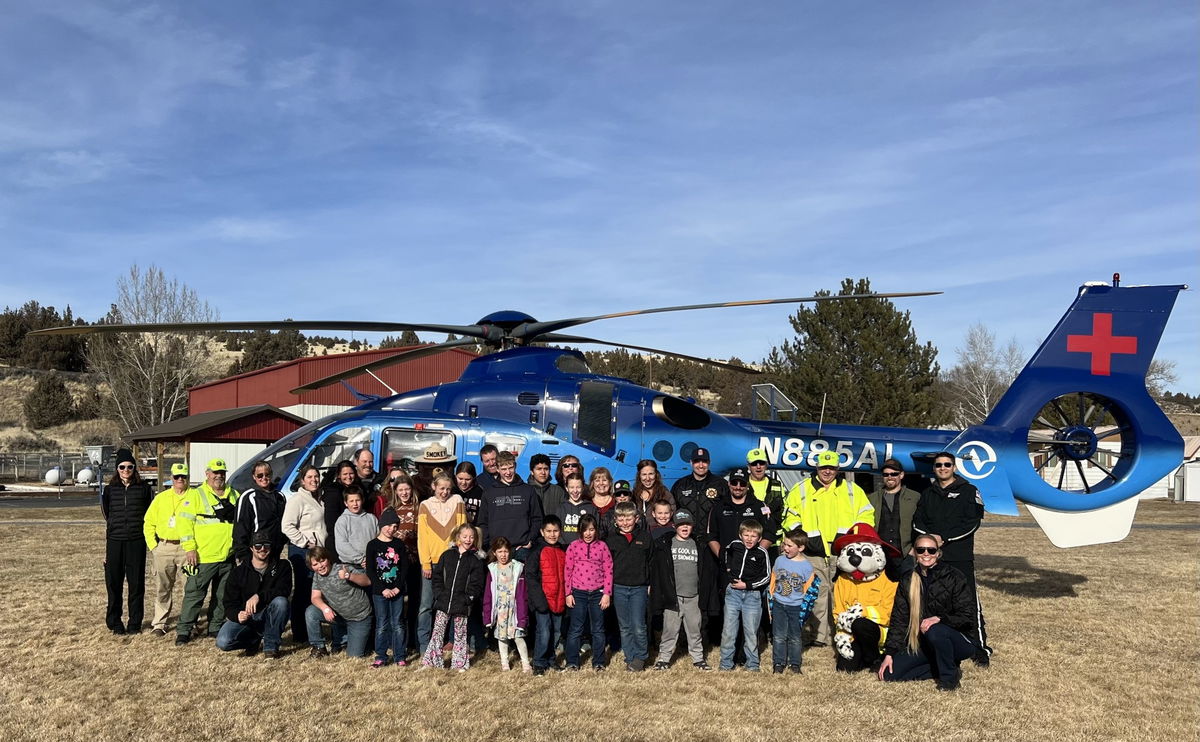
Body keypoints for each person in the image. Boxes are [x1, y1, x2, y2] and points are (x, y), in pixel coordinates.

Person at [779, 449, 874, 647]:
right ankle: (819, 637)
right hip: (813, 552)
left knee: (844, 593)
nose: (827, 472)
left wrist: (852, 537)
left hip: (845, 553)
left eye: (831, 468)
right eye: (824, 467)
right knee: (818, 594)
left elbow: (866, 516)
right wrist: (803, 537)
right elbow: (789, 516)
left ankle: (843, 631)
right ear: (817, 467)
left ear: (838, 469)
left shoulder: (852, 490)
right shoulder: (801, 489)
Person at [914, 452, 991, 662]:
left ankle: (979, 647)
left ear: (954, 467)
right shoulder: (928, 493)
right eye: (938, 465)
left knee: (968, 603)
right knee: (931, 601)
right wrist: (930, 541)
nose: (942, 468)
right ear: (934, 468)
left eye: (947, 464)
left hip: (959, 556)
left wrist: (944, 538)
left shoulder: (969, 491)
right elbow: (918, 521)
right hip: (931, 558)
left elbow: (972, 523)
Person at [878, 534, 980, 691]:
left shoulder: (954, 577)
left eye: (931, 550)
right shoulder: (907, 579)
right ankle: (944, 666)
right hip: (925, 643)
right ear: (914, 552)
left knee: (935, 630)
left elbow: (967, 617)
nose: (926, 554)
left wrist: (939, 619)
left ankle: (949, 680)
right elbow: (899, 618)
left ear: (938, 553)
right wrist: (890, 653)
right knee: (889, 675)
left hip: (958, 641)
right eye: (921, 550)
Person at [176, 458, 240, 645]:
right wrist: (190, 549)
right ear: (207, 473)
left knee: (222, 596)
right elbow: (184, 523)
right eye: (215, 472)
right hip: (202, 557)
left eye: (222, 472)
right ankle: (184, 630)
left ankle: (215, 626)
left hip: (227, 556)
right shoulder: (196, 495)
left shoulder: (234, 494)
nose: (219, 476)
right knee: (194, 594)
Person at [215, 530, 292, 658]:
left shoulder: (282, 566)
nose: (262, 549)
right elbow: (229, 603)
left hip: (269, 612)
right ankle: (253, 640)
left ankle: (271, 647)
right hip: (248, 617)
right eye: (258, 546)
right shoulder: (238, 572)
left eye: (266, 545)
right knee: (223, 642)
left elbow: (284, 590)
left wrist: (259, 596)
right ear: (251, 548)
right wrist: (237, 615)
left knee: (281, 602)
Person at [420, 523, 486, 671]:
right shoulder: (447, 555)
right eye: (465, 536)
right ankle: (432, 661)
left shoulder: (475, 560)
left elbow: (477, 584)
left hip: (461, 604)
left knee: (461, 634)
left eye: (471, 537)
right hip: (443, 602)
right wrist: (439, 594)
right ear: (458, 537)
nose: (468, 540)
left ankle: (460, 663)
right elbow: (437, 577)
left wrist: (468, 598)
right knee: (437, 632)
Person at [650, 510, 710, 671]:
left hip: (693, 596)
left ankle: (698, 658)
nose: (685, 527)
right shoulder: (666, 544)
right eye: (681, 524)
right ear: (674, 526)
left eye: (688, 524)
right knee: (670, 630)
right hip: (673, 597)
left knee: (694, 629)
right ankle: (664, 658)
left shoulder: (698, 544)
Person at [102, 448, 153, 635]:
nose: (126, 470)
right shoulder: (110, 490)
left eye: (129, 467)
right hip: (115, 541)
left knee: (136, 584)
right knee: (114, 583)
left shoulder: (145, 489)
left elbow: (149, 514)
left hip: (136, 541)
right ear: (117, 469)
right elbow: (107, 514)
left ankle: (134, 623)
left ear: (134, 468)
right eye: (122, 467)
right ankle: (115, 622)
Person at [416, 473, 466, 654]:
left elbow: (462, 529)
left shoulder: (458, 501)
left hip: (452, 561)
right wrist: (426, 563)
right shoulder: (425, 506)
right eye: (441, 488)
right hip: (433, 562)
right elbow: (423, 537)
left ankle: (452, 641)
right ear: (433, 487)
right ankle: (424, 644)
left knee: (452, 603)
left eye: (448, 489)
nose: (444, 492)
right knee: (426, 604)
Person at [143, 462, 194, 636]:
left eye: (184, 477)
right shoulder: (161, 498)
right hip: (163, 547)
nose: (180, 480)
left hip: (186, 548)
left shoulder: (194, 496)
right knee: (163, 587)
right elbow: (148, 523)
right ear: (171, 478)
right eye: (177, 477)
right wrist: (154, 546)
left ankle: (189, 622)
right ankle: (159, 623)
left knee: (191, 586)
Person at [605, 501, 652, 672]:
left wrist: (650, 583)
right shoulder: (611, 540)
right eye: (621, 519)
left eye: (629, 518)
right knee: (624, 626)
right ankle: (630, 656)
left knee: (638, 625)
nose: (625, 523)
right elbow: (607, 567)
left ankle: (641, 657)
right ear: (615, 520)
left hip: (639, 587)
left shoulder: (645, 538)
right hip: (619, 588)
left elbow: (651, 562)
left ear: (637, 518)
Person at [281, 464, 325, 645]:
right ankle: (300, 631)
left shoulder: (319, 499)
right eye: (310, 477)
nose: (314, 480)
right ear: (302, 480)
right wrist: (305, 542)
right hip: (303, 551)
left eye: (316, 477)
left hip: (319, 551)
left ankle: (311, 627)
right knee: (303, 590)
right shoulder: (298, 499)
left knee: (314, 590)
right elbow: (287, 526)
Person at [718, 519, 770, 671]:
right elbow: (725, 552)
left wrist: (747, 585)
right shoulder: (734, 545)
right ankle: (726, 664)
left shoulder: (762, 553)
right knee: (728, 630)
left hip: (752, 596)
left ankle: (752, 665)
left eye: (753, 536)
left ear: (759, 538)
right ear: (740, 535)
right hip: (733, 594)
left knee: (751, 632)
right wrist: (728, 570)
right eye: (746, 535)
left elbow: (766, 576)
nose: (749, 539)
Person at [306, 546, 373, 658]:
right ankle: (319, 647)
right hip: (338, 616)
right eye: (315, 564)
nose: (320, 566)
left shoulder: (343, 568)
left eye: (322, 561)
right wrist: (325, 608)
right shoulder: (317, 576)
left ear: (328, 559)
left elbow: (367, 581)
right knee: (311, 612)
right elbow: (315, 597)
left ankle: (362, 639)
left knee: (354, 656)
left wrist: (349, 576)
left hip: (359, 617)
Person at [564, 514, 611, 671]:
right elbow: (568, 570)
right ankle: (572, 662)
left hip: (598, 593)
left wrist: (607, 593)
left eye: (591, 529)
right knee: (576, 628)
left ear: (596, 530)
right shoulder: (573, 546)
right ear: (580, 531)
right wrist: (568, 593)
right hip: (578, 593)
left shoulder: (602, 546)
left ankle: (598, 662)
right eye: (585, 530)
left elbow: (608, 570)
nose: (588, 533)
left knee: (598, 629)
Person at [769, 528, 819, 674]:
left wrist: (804, 607)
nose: (785, 548)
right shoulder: (779, 560)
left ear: (801, 547)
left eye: (790, 546)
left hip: (796, 607)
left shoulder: (806, 566)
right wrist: (772, 597)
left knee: (795, 637)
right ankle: (778, 663)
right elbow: (773, 578)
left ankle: (795, 664)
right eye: (784, 544)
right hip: (779, 604)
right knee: (778, 635)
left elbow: (809, 589)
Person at [477, 451, 544, 558]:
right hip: (497, 549)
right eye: (503, 469)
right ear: (497, 469)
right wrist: (489, 544)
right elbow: (482, 522)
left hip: (522, 548)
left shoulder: (528, 490)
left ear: (515, 467)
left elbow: (537, 518)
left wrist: (530, 540)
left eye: (510, 468)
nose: (508, 472)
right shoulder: (489, 493)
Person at [525, 515, 568, 675]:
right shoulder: (537, 550)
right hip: (543, 600)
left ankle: (551, 660)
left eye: (555, 531)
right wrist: (539, 601)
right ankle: (539, 662)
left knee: (556, 632)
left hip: (559, 599)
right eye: (548, 531)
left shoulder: (562, 550)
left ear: (560, 531)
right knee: (544, 631)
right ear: (542, 532)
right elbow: (530, 576)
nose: (552, 534)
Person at [366, 509, 409, 668]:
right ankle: (381, 656)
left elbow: (404, 567)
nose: (391, 529)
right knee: (382, 624)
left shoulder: (399, 544)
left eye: (395, 526)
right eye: (388, 525)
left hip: (397, 591)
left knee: (397, 623)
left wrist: (398, 587)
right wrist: (382, 589)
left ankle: (400, 656)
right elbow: (370, 570)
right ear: (381, 524)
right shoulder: (372, 545)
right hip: (380, 592)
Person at [482, 537, 531, 673]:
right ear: (494, 553)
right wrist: (487, 615)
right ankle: (504, 663)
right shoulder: (492, 570)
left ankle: (526, 663)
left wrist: (523, 614)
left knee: (518, 637)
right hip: (500, 610)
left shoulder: (517, 568)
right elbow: (488, 594)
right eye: (500, 551)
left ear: (510, 551)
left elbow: (522, 594)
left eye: (505, 551)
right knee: (502, 638)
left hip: (515, 609)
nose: (503, 555)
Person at [868, 458, 921, 578]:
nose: (890, 477)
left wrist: (914, 549)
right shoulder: (872, 498)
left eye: (894, 474)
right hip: (879, 554)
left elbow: (922, 524)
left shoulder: (915, 497)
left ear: (901, 475)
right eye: (886, 474)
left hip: (906, 554)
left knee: (908, 591)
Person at [232, 460, 286, 564]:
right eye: (260, 475)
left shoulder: (280, 496)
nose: (264, 478)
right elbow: (240, 528)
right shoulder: (248, 497)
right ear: (254, 476)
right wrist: (243, 555)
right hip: (256, 553)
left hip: (274, 552)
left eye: (267, 474)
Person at [745, 448, 787, 546]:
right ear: (749, 466)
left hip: (774, 543)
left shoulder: (777, 485)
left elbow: (785, 510)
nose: (758, 467)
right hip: (749, 542)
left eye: (762, 463)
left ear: (766, 465)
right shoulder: (742, 485)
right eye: (754, 464)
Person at [321, 460, 357, 561]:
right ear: (339, 476)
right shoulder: (334, 493)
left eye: (351, 473)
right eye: (345, 474)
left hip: (353, 540)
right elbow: (331, 523)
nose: (348, 477)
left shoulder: (356, 490)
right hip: (337, 543)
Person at [334, 486, 378, 567]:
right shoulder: (342, 521)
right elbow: (342, 545)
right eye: (351, 501)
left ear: (362, 500)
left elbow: (379, 539)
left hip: (372, 562)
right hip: (351, 565)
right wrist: (361, 559)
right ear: (346, 503)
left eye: (357, 500)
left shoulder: (372, 518)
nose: (355, 504)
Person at [556, 472, 598, 544]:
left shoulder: (591, 508)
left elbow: (597, 531)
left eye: (578, 487)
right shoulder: (561, 508)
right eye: (571, 487)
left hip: (586, 550)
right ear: (566, 488)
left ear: (583, 487)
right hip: (565, 549)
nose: (575, 491)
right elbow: (556, 530)